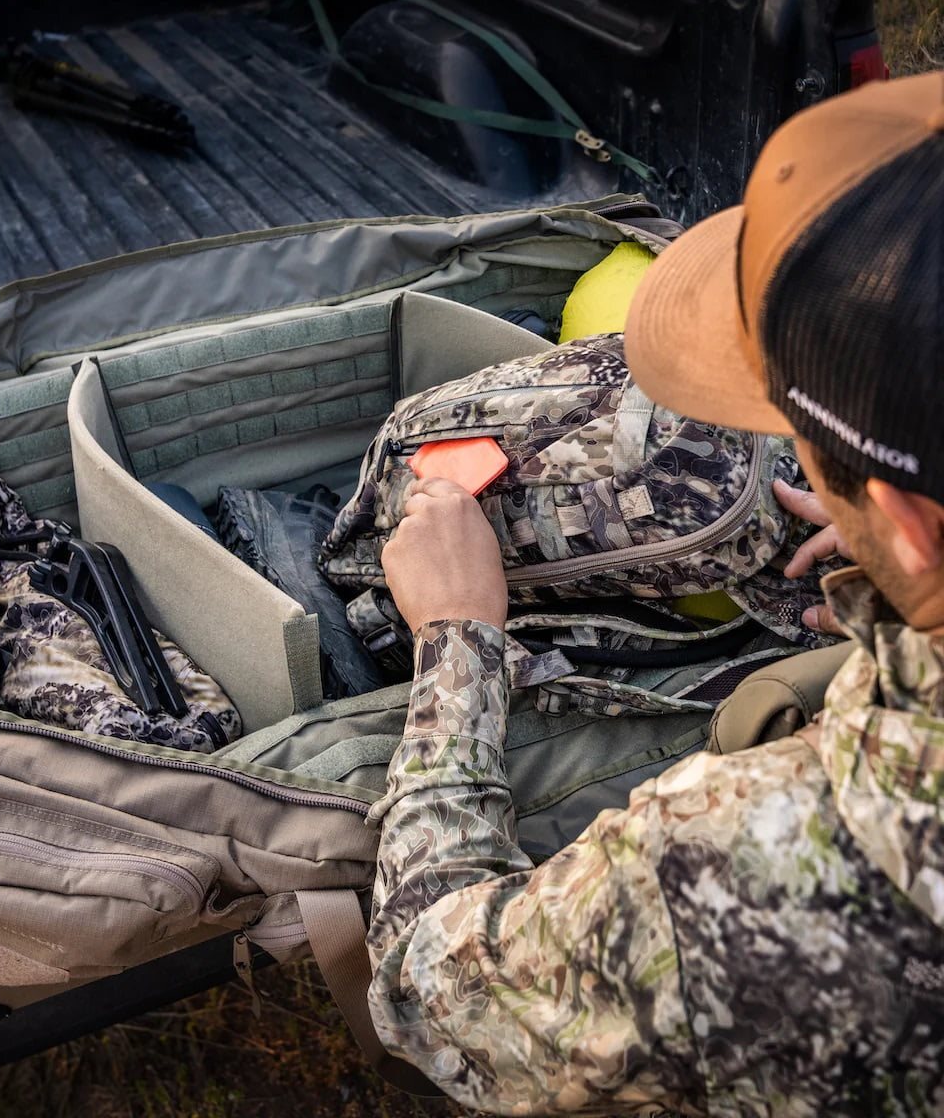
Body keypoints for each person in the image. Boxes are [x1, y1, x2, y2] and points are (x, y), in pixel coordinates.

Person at [368, 70, 944, 1114]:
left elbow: (430, 992)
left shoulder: (728, 865)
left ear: (907, 516)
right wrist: (902, 575)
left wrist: (456, 635)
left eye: (800, 446)